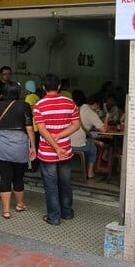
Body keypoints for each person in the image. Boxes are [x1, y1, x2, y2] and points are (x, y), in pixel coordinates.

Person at [34, 74, 80, 226]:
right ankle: (67, 212)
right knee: (66, 182)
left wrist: (55, 146)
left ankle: (54, 217)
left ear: (43, 88)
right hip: (65, 150)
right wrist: (60, 140)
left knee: (51, 185)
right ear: (59, 86)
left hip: (47, 153)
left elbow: (42, 131)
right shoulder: (70, 103)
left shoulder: (39, 105)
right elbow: (76, 125)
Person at [0, 81, 36, 219]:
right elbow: (29, 128)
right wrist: (33, 146)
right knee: (18, 177)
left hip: (1, 145)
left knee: (5, 177)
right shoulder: (25, 106)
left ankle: (5, 210)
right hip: (19, 145)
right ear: (18, 92)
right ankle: (20, 204)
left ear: (3, 93)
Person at [71, 94, 107, 178]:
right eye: (97, 107)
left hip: (66, 144)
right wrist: (107, 118)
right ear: (95, 104)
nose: (97, 109)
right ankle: (90, 172)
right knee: (93, 147)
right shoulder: (91, 113)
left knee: (91, 141)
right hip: (76, 146)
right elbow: (104, 130)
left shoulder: (79, 108)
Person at [24, 80, 40, 172]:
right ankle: (36, 165)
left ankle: (31, 166)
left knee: (31, 146)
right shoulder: (37, 97)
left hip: (32, 125)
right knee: (36, 146)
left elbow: (28, 111)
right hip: (37, 125)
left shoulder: (29, 97)